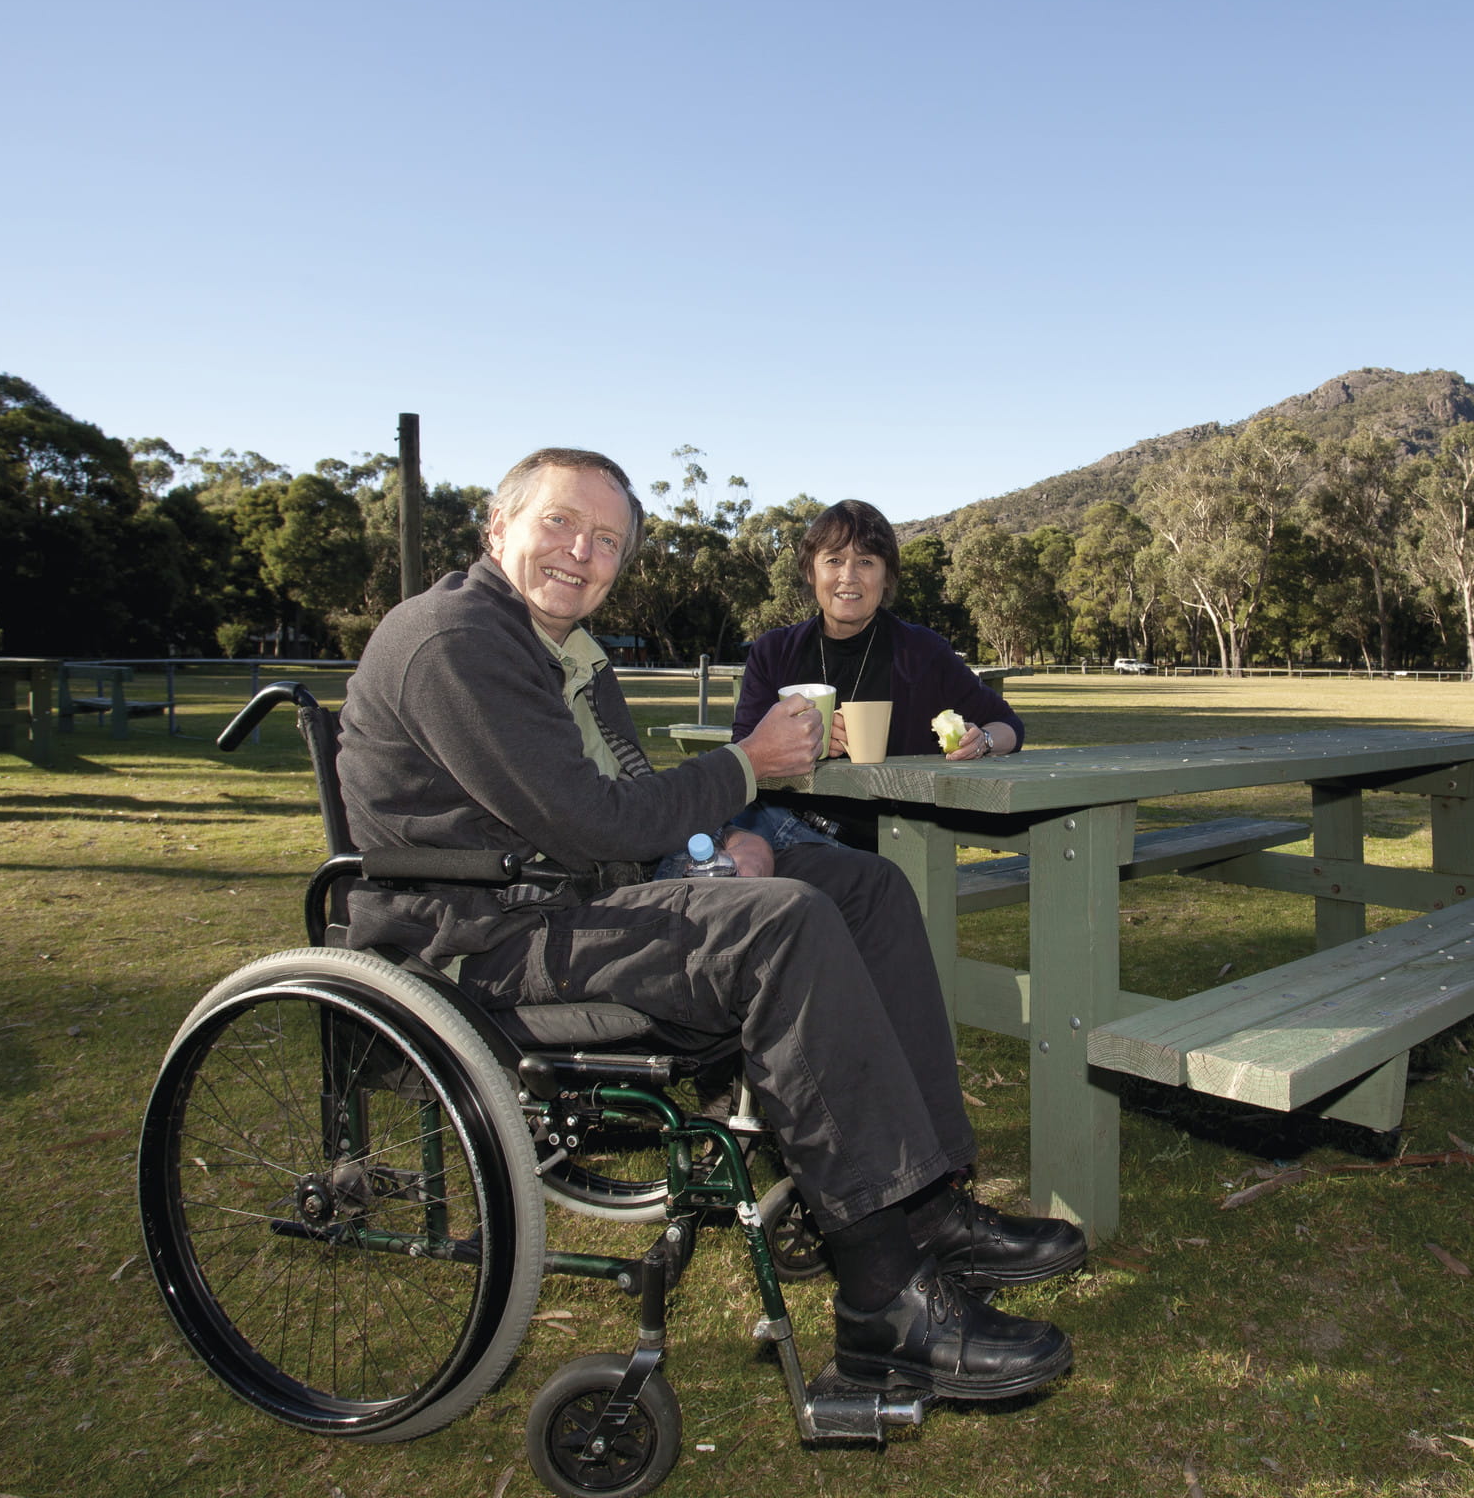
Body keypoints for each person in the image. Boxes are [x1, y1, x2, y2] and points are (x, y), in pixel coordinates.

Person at [335, 448, 1083, 1401]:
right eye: (560, 524)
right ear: (497, 530)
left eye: (605, 540)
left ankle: (926, 1205)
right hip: (485, 939)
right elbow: (589, 819)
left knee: (868, 889)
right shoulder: (457, 640)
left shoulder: (567, 652)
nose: (581, 552)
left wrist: (711, 850)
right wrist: (744, 768)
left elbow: (629, 803)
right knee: (783, 925)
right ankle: (884, 1303)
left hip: (578, 897)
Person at [728, 499, 1023, 851]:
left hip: (885, 844)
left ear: (886, 577)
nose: (848, 576)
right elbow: (744, 752)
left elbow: (1008, 725)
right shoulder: (774, 651)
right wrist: (802, 746)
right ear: (811, 571)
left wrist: (983, 741)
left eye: (866, 561)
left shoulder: (921, 651)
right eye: (834, 560)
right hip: (778, 827)